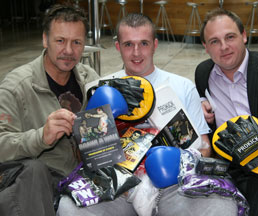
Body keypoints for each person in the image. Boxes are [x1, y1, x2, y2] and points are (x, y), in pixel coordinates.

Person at [57, 13, 238, 216]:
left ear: (154, 45)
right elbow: (85, 158)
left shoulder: (182, 86)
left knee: (221, 208)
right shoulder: (100, 88)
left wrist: (179, 160)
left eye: (143, 43)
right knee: (69, 208)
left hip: (172, 185)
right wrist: (93, 133)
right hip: (116, 186)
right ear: (118, 47)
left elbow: (205, 146)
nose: (136, 52)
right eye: (128, 44)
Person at [195, 8, 258, 216]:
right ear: (206, 47)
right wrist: (199, 103)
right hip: (227, 171)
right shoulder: (203, 73)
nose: (224, 47)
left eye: (230, 37)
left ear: (244, 36)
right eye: (214, 41)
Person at [0, 4, 99, 215]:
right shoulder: (17, 87)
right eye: (60, 40)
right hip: (37, 187)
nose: (69, 50)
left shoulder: (90, 79)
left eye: (77, 42)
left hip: (80, 180)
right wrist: (40, 138)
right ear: (45, 40)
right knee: (35, 171)